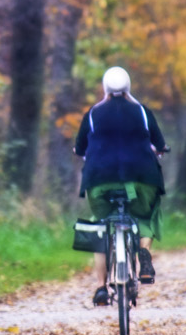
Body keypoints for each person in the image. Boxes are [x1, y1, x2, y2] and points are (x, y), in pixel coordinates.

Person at [71, 66, 169, 305]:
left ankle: (101, 287)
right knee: (146, 215)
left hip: (99, 182)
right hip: (141, 179)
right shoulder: (143, 112)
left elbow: (80, 148)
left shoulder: (93, 113)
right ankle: (144, 255)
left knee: (101, 228)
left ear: (105, 88)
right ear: (128, 88)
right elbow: (160, 143)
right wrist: (160, 149)